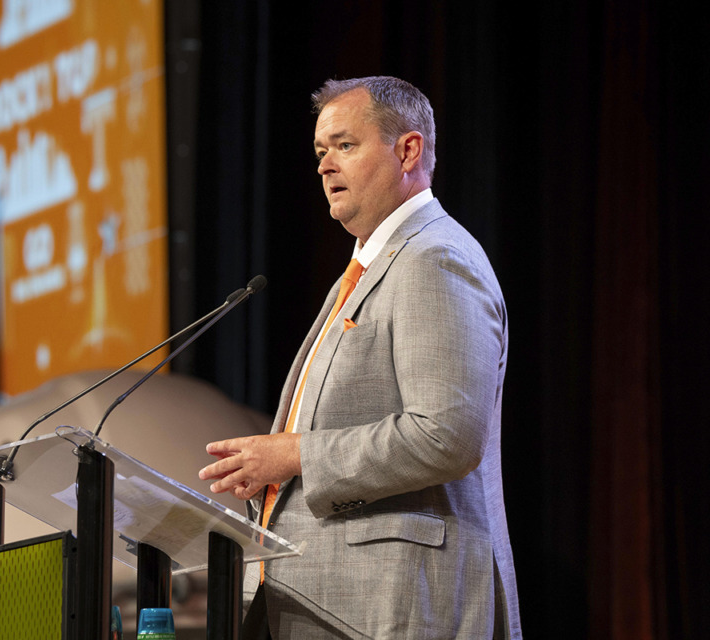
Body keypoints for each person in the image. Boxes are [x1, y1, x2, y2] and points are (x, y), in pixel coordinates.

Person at [198, 76, 522, 639]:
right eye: (321, 151)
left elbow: (447, 434)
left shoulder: (435, 259)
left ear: (408, 151)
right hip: (331, 601)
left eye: (345, 146)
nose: (325, 165)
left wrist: (296, 455)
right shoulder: (371, 268)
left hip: (398, 605)